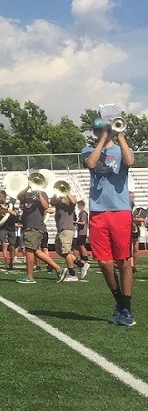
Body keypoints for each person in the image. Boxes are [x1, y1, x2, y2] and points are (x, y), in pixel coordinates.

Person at [83, 116, 136, 325]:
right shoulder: (88, 149)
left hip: (120, 210)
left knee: (123, 260)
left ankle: (127, 308)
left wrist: (120, 136)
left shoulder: (121, 149)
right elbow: (91, 163)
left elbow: (130, 161)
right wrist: (102, 141)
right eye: (99, 129)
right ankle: (119, 302)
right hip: (98, 211)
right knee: (104, 262)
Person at [14, 183, 63, 284]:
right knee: (37, 252)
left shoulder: (42, 193)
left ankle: (30, 276)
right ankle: (59, 269)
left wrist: (39, 192)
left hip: (35, 226)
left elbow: (45, 206)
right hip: (28, 226)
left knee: (29, 250)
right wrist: (27, 187)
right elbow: (18, 196)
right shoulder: (26, 195)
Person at [52, 188, 85, 282]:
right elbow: (52, 201)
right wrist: (56, 193)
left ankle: (72, 274)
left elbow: (74, 201)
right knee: (60, 251)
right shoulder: (58, 203)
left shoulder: (70, 204)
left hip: (67, 229)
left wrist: (67, 192)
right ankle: (81, 265)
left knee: (66, 252)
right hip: (60, 230)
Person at [0, 190, 20, 270]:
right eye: (0, 196)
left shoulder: (10, 205)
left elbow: (16, 214)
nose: (1, 197)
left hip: (11, 227)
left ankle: (11, 262)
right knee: (4, 244)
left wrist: (6, 209)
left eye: (2, 195)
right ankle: (6, 262)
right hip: (3, 227)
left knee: (12, 246)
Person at [73, 200, 91, 274]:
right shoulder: (81, 213)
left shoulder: (83, 213)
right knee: (79, 245)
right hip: (80, 232)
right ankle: (83, 257)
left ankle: (85, 258)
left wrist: (75, 222)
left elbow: (83, 222)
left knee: (81, 245)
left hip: (82, 232)